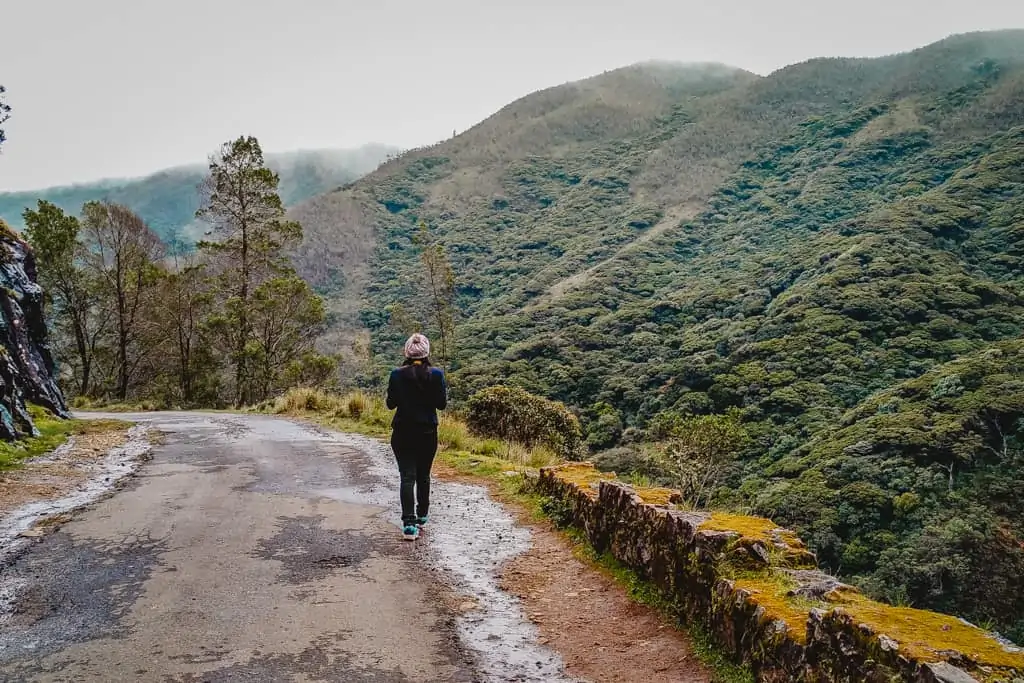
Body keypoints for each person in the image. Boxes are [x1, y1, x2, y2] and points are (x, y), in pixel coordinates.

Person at [385, 333, 448, 540]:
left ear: (407, 352)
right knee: (423, 476)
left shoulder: (396, 374)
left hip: (402, 432)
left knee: (407, 477)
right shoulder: (436, 374)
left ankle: (408, 525)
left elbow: (390, 404)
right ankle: (422, 516)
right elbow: (441, 404)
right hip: (427, 432)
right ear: (427, 351)